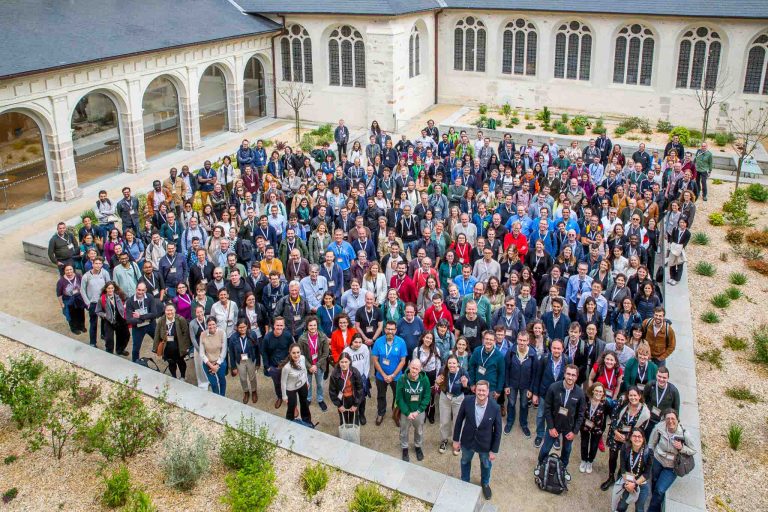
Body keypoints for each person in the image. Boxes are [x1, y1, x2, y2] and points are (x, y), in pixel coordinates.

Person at [452, 379, 502, 500]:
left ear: (488, 391)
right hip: (467, 440)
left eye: (484, 390)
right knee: (465, 461)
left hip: (485, 444)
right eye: (479, 390)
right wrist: (455, 440)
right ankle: (464, 481)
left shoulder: (495, 407)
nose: (481, 393)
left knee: (486, 465)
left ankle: (485, 483)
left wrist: (493, 450)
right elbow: (459, 421)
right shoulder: (467, 401)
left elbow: (498, 431)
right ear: (475, 390)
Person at [536, 364, 586, 481]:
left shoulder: (580, 393)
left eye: (573, 375)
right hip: (554, 425)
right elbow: (547, 408)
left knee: (567, 450)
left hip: (569, 428)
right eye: (568, 374)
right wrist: (551, 427)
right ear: (564, 374)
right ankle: (540, 464)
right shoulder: (553, 387)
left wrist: (574, 432)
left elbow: (581, 414)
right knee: (545, 448)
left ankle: (563, 468)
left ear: (577, 377)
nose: (570, 377)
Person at [601, 387, 651, 491]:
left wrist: (627, 439)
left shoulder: (645, 413)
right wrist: (615, 431)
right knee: (612, 457)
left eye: (635, 395)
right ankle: (611, 477)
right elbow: (613, 416)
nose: (633, 398)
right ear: (628, 396)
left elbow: (640, 430)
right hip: (616, 434)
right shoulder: (622, 402)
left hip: (630, 439)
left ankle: (621, 478)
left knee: (625, 459)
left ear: (639, 396)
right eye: (631, 395)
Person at [647, 410, 696, 512]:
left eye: (673, 418)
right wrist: (650, 457)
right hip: (658, 460)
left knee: (660, 490)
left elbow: (693, 450)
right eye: (668, 418)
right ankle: (655, 502)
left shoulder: (684, 434)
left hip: (672, 467)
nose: (670, 421)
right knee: (654, 482)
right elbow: (651, 443)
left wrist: (682, 448)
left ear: (677, 420)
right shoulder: (659, 428)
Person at [371, 321, 408, 426]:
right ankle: (381, 413)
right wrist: (384, 375)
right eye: (388, 329)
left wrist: (392, 375)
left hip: (396, 377)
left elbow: (403, 361)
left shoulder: (401, 342)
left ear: (396, 330)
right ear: (384, 329)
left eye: (392, 329)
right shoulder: (378, 341)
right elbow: (375, 360)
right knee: (381, 395)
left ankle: (396, 414)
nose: (390, 331)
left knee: (397, 397)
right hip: (381, 376)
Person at [532, 338, 566, 447]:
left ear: (562, 349)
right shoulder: (544, 358)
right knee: (541, 415)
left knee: (558, 417)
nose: (556, 350)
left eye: (558, 348)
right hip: (544, 394)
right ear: (551, 348)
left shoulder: (567, 360)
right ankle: (540, 434)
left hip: (560, 396)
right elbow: (537, 376)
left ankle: (556, 436)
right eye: (554, 348)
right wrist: (535, 394)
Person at [395, 359, 431, 462]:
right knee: (404, 431)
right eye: (412, 367)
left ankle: (418, 446)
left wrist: (418, 411)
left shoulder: (425, 380)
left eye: (416, 368)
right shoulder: (402, 379)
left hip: (418, 412)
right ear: (409, 366)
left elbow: (427, 397)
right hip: (406, 412)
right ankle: (405, 448)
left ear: (420, 369)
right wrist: (407, 412)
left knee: (419, 431)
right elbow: (399, 398)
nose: (414, 370)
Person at [503, 331, 537, 437]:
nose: (521, 342)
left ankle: (523, 424)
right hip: (512, 383)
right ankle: (510, 422)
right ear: (517, 340)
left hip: (526, 385)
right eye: (520, 340)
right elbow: (506, 369)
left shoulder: (532, 354)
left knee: (523, 404)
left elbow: (534, 373)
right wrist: (507, 385)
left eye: (524, 340)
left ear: (528, 341)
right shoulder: (511, 352)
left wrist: (531, 389)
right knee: (511, 403)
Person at [611, 428, 653, 512]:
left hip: (641, 482)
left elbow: (647, 473)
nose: (637, 439)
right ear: (630, 437)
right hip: (627, 479)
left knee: (639, 508)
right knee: (621, 506)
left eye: (639, 436)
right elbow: (622, 468)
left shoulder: (648, 452)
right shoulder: (625, 448)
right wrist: (628, 483)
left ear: (643, 438)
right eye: (634, 436)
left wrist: (634, 484)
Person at [436, 354, 469, 454]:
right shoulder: (442, 370)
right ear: (446, 364)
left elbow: (467, 388)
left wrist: (465, 384)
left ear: (458, 364)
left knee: (458, 421)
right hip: (445, 397)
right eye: (449, 363)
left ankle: (456, 441)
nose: (452, 365)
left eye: (454, 363)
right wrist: (437, 382)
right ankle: (444, 440)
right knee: (444, 421)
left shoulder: (463, 372)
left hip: (458, 399)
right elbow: (438, 383)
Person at [579, 382, 613, 475]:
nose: (598, 393)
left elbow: (611, 414)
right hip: (585, 426)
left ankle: (590, 461)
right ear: (592, 391)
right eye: (596, 391)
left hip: (598, 428)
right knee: (584, 444)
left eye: (600, 391)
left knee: (594, 446)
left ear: (603, 393)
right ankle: (584, 460)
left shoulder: (606, 403)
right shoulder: (586, 399)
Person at [298, 317, 330, 411]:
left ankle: (320, 399)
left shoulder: (323, 337)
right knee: (308, 384)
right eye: (310, 325)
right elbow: (301, 354)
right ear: (307, 326)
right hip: (307, 365)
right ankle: (308, 398)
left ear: (317, 326)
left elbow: (325, 354)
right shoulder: (302, 338)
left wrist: (316, 365)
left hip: (319, 365)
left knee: (320, 384)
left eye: (314, 325)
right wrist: (309, 366)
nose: (312, 327)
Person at [125, 282, 163, 362]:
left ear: (145, 290)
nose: (140, 292)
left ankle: (166, 356)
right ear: (136, 289)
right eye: (139, 290)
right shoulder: (130, 301)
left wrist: (140, 316)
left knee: (160, 341)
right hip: (138, 328)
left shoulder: (150, 297)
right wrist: (142, 319)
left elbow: (154, 314)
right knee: (136, 347)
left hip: (151, 325)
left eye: (143, 290)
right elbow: (129, 319)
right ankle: (135, 362)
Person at [262, 316, 294, 408]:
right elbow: (264, 352)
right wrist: (267, 367)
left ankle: (289, 397)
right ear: (273, 326)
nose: (279, 327)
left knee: (288, 382)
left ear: (284, 326)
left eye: (281, 325)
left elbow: (292, 348)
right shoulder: (267, 338)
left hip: (287, 365)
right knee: (277, 384)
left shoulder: (288, 336)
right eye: (277, 325)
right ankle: (280, 397)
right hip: (274, 367)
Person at [153, 303, 191, 379]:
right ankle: (174, 377)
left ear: (175, 310)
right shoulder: (161, 320)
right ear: (165, 311)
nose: (169, 312)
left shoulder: (181, 319)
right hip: (167, 347)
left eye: (171, 310)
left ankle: (183, 376)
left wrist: (186, 347)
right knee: (171, 363)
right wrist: (155, 348)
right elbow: (157, 334)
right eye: (167, 310)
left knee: (181, 362)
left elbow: (186, 334)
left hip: (179, 347)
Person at [468, 330, 506, 404]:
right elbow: (471, 367)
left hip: (491, 389)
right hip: (478, 387)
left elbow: (501, 374)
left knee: (490, 412)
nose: (488, 341)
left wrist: (498, 390)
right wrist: (472, 383)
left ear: (494, 341)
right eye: (487, 339)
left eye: (491, 339)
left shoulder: (499, 356)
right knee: (478, 409)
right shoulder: (477, 351)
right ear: (483, 340)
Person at [228, 318, 260, 404]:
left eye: (244, 327)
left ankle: (254, 391)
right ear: (237, 328)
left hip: (250, 359)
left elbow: (257, 349)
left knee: (252, 377)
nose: (242, 329)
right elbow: (231, 353)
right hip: (240, 361)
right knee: (242, 378)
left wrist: (258, 363)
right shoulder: (233, 338)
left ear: (247, 326)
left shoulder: (253, 334)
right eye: (240, 327)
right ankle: (246, 392)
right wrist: (233, 367)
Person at [642, 366, 680, 438]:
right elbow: (644, 400)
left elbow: (676, 410)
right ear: (656, 376)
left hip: (663, 423)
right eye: (659, 376)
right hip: (649, 419)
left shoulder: (673, 391)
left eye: (664, 378)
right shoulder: (650, 385)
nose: (661, 379)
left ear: (668, 378)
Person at [342, 334, 371, 424]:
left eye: (360, 342)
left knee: (362, 398)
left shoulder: (365, 348)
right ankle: (355, 414)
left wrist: (365, 376)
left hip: (362, 377)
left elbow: (367, 363)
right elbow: (344, 365)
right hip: (351, 378)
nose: (358, 344)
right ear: (352, 341)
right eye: (355, 342)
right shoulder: (346, 351)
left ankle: (362, 414)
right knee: (353, 397)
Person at [329, 352, 364, 426]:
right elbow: (332, 391)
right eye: (342, 362)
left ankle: (353, 432)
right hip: (342, 399)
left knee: (354, 418)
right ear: (338, 362)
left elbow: (360, 389)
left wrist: (356, 405)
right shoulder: (334, 374)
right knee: (343, 418)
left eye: (346, 362)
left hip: (353, 398)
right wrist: (339, 405)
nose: (344, 364)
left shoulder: (355, 372)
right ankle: (344, 432)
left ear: (350, 362)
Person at [95, 281, 130, 356]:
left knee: (124, 336)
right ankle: (109, 353)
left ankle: (120, 350)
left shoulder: (119, 296)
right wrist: (105, 315)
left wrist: (125, 306)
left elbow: (128, 299)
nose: (110, 290)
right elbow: (98, 311)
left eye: (112, 288)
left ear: (114, 289)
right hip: (109, 321)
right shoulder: (102, 299)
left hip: (120, 320)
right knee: (109, 339)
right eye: (108, 288)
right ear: (105, 289)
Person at [56, 264, 87, 335]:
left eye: (70, 269)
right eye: (67, 270)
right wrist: (62, 304)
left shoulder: (78, 276)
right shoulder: (61, 281)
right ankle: (74, 328)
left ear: (73, 270)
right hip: (69, 300)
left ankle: (81, 326)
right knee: (72, 315)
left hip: (79, 298)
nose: (69, 271)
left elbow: (83, 286)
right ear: (64, 271)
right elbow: (59, 294)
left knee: (81, 313)